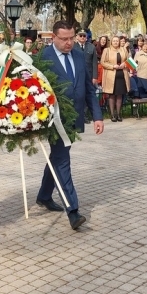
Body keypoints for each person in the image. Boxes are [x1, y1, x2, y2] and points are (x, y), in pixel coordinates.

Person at [37, 21, 104, 230]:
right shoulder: (43, 59)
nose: (69, 42)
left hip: (73, 118)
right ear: (53, 38)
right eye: (64, 39)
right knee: (63, 160)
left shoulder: (78, 55)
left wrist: (97, 116)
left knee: (58, 157)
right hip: (52, 119)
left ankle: (44, 195)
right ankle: (73, 211)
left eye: (72, 38)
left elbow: (88, 88)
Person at [100, 36, 130, 122]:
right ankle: (112, 114)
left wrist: (124, 64)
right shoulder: (107, 50)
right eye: (114, 41)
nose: (116, 42)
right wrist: (113, 66)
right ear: (111, 42)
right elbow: (102, 62)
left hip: (122, 75)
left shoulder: (124, 49)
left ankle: (119, 113)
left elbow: (129, 60)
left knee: (120, 95)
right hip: (111, 75)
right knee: (112, 95)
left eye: (117, 41)